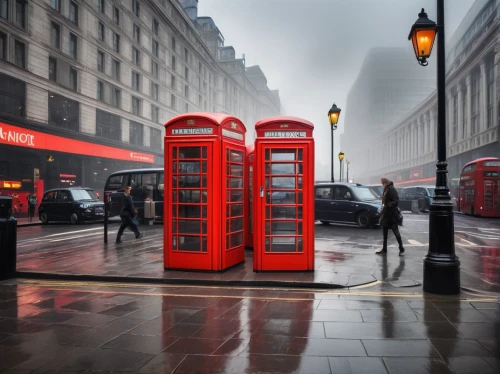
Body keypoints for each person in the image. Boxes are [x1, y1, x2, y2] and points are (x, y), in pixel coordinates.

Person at [376, 177, 405, 256]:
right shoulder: (386, 189)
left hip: (392, 214)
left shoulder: (391, 189)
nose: (382, 184)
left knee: (396, 231)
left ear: (386, 182)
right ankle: (384, 248)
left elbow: (396, 200)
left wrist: (390, 204)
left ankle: (401, 248)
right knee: (384, 232)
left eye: (383, 182)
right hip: (386, 214)